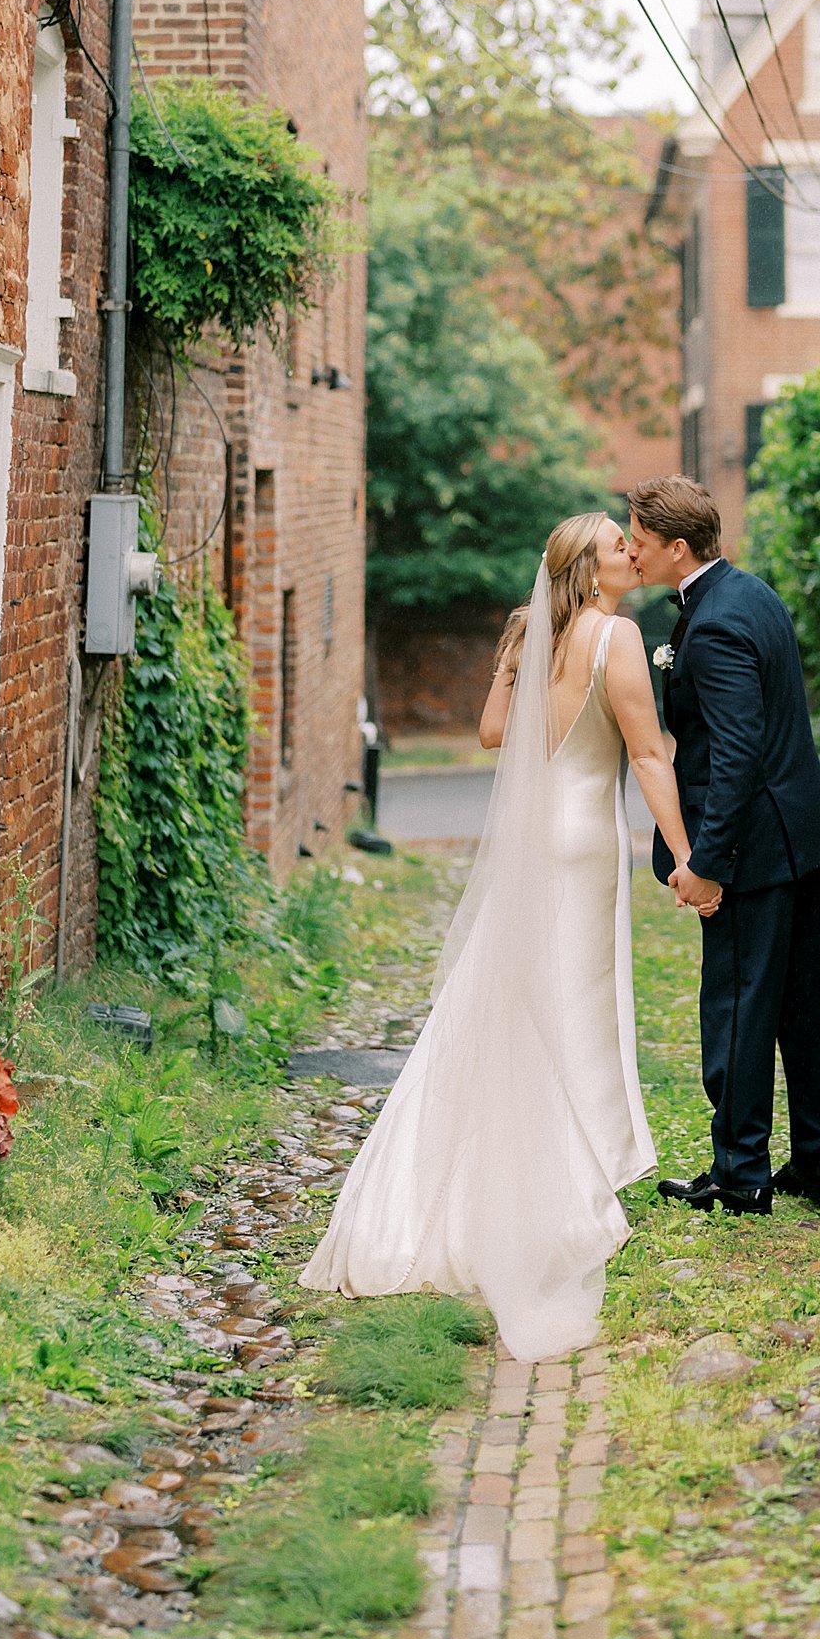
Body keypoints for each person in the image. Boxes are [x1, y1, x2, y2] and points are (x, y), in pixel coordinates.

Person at [301, 512, 694, 1361]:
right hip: (581, 841)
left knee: (508, 1001)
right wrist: (686, 855)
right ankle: (563, 1185)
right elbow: (649, 755)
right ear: (585, 573)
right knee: (571, 1009)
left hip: (529, 840)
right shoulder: (614, 636)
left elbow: (490, 735)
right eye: (615, 547)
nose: (631, 551)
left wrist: (509, 668)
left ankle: (471, 1184)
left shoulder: (536, 636)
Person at [627, 475, 820, 1215]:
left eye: (641, 540)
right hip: (795, 836)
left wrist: (705, 863)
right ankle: (815, 1157)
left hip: (752, 848)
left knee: (732, 1002)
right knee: (792, 1001)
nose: (631, 550)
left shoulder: (716, 621)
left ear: (678, 547)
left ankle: (739, 1169)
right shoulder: (749, 593)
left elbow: (736, 752)